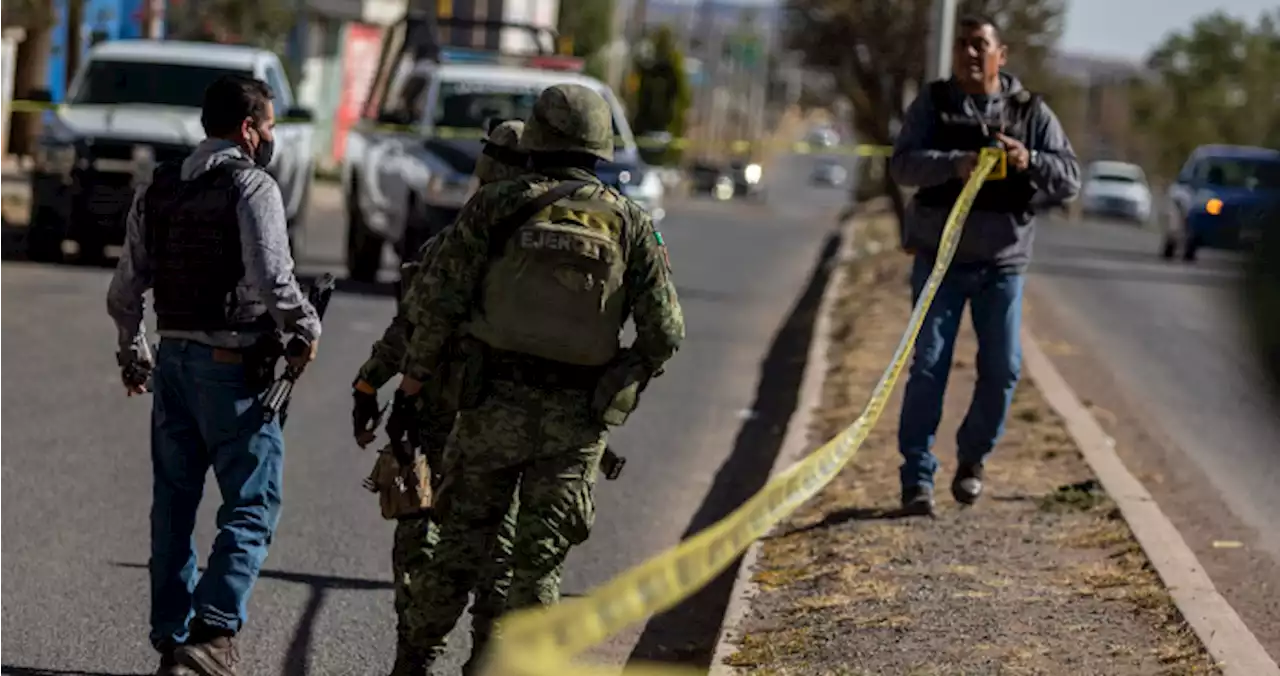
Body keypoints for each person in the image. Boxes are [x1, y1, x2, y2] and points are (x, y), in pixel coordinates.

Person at [388, 83, 684, 672]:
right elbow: (666, 333)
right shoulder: (629, 221)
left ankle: (415, 662)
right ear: (601, 146)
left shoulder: (496, 205)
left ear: (539, 136)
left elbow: (438, 305)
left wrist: (412, 388)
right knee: (539, 565)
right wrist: (617, 384)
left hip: (490, 405)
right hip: (575, 424)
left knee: (457, 552)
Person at [106, 74, 321, 676]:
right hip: (231, 372)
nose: (272, 137)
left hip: (172, 365)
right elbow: (275, 283)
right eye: (270, 125)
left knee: (173, 507)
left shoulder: (161, 188)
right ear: (248, 129)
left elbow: (126, 289)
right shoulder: (254, 187)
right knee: (252, 505)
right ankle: (214, 632)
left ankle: (173, 639)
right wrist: (308, 328)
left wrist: (134, 351)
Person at [350, 119, 531, 676]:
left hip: (436, 418)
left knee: (422, 542)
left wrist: (371, 384)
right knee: (497, 547)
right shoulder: (542, 255)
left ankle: (415, 655)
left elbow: (413, 326)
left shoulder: (453, 244)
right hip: (506, 425)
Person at [889, 15, 1080, 516]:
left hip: (1003, 266)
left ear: (1002, 55)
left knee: (1002, 369)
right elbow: (902, 165)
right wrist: (954, 164)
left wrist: (1027, 159)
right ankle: (917, 478)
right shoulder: (934, 104)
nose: (971, 55)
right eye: (963, 47)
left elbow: (1070, 179)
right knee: (928, 367)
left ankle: (972, 461)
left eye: (980, 46)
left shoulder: (1030, 112)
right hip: (940, 262)